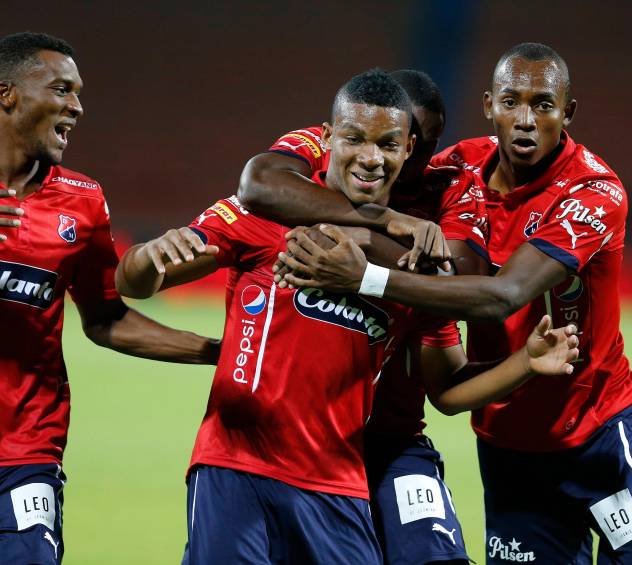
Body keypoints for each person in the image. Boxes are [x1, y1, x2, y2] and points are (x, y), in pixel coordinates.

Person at [116, 69, 579, 565]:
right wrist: (148, 256)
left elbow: (447, 387)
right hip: (236, 467)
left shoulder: (413, 266)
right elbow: (135, 282)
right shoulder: (269, 214)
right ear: (328, 138)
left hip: (339, 484)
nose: (370, 157)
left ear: (408, 150)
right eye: (354, 139)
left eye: (387, 145)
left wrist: (524, 363)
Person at [278, 44, 632, 563]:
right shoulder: (457, 169)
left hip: (598, 431)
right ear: (488, 105)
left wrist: (366, 276)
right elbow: (309, 178)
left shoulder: (592, 193)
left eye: (543, 105)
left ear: (568, 112)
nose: (525, 120)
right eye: (511, 102)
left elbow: (505, 295)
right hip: (508, 443)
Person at [238, 69, 489, 564]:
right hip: (308, 442)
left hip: (394, 435)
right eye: (371, 139)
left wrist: (363, 261)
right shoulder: (329, 141)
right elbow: (258, 186)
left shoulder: (451, 186)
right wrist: (384, 222)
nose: (407, 160)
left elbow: (461, 283)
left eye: (421, 145)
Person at [0, 32, 221, 564]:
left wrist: (224, 350)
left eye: (78, 94)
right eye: (62, 89)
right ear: (7, 94)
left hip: (24, 451)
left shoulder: (81, 202)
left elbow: (106, 319)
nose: (77, 107)